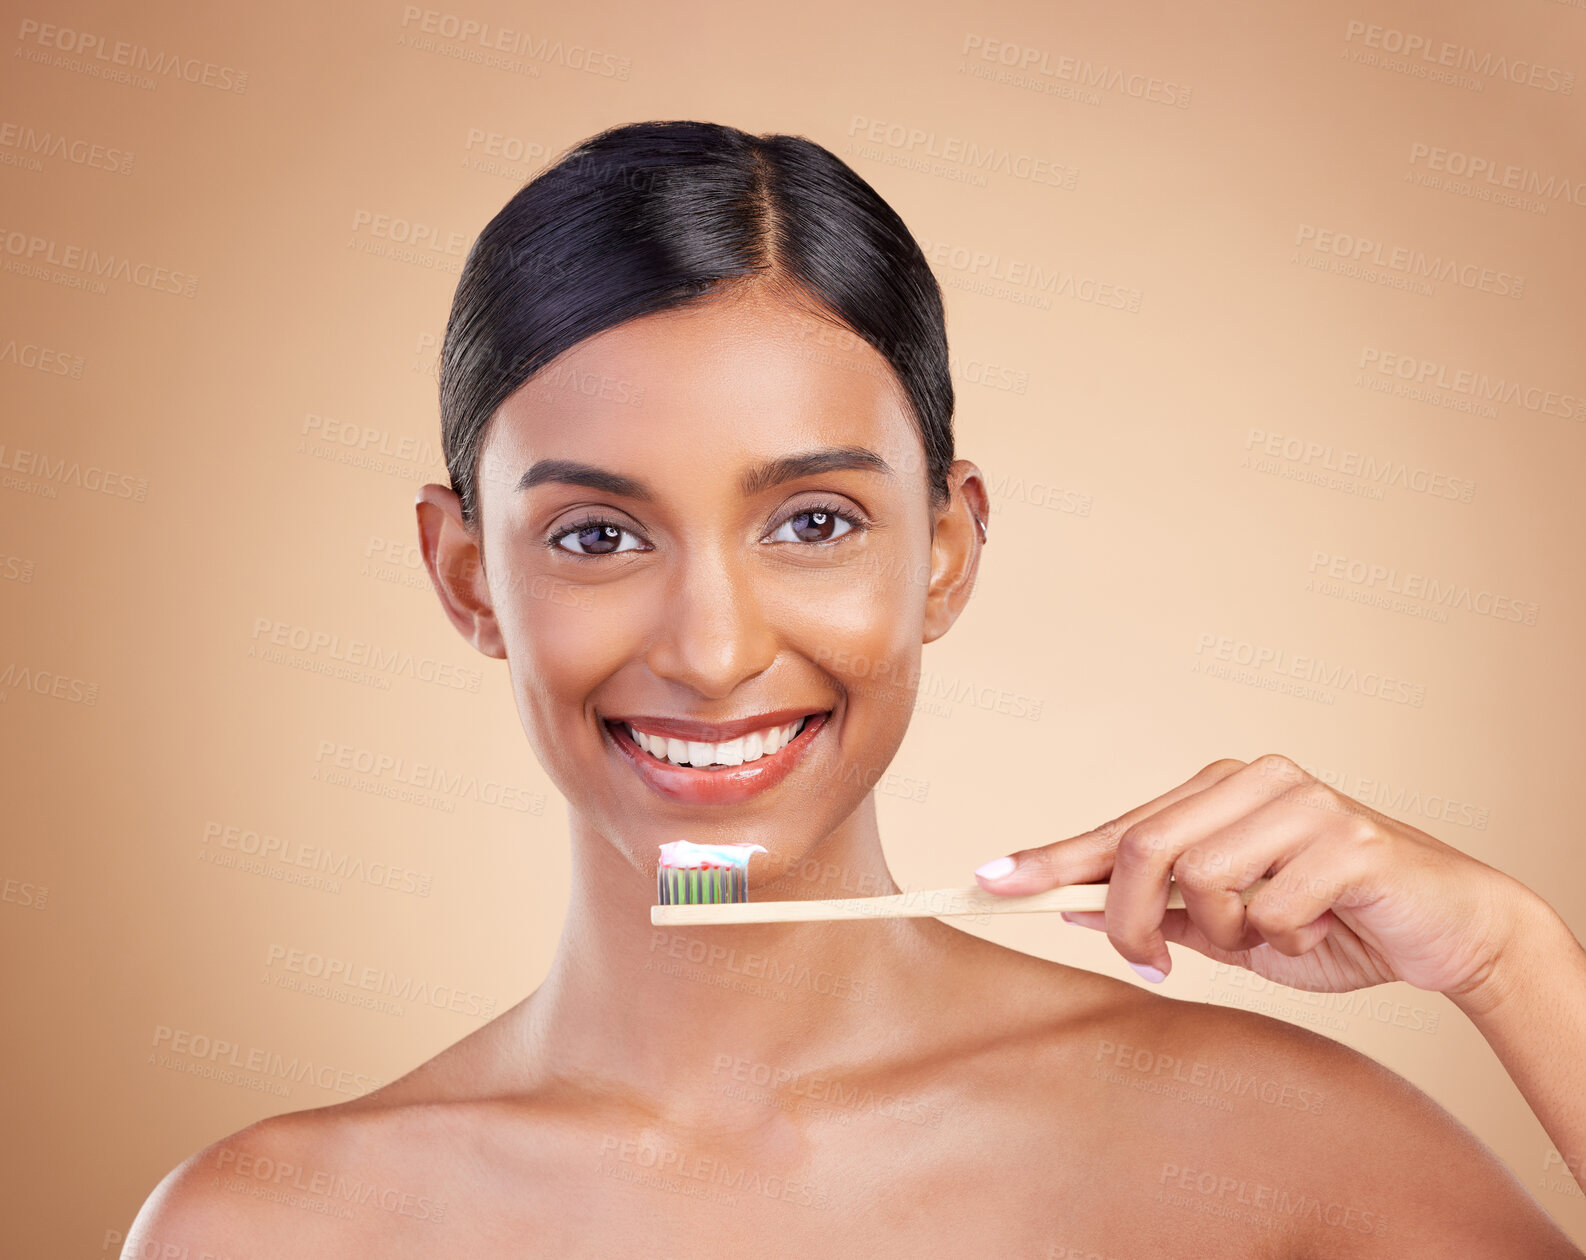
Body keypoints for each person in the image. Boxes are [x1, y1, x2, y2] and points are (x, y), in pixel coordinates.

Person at [126, 119, 1586, 1258]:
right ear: (464, 578)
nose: (709, 650)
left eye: (811, 522)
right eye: (596, 535)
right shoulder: (269, 1228)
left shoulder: (1279, 1152)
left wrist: (1511, 963)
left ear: (943, 551)